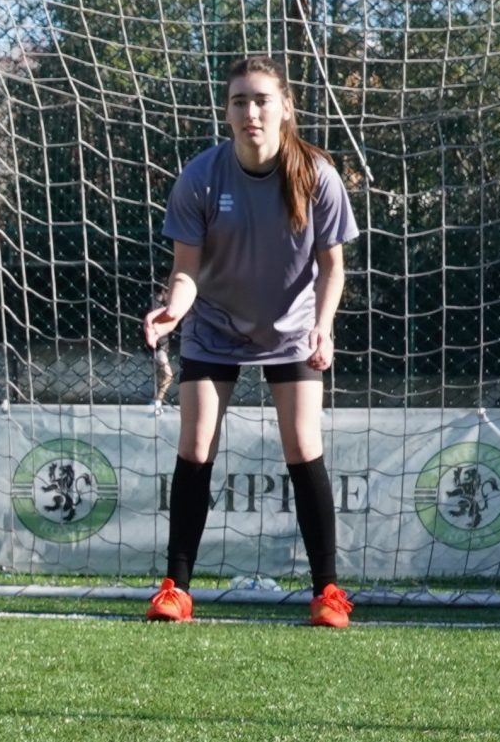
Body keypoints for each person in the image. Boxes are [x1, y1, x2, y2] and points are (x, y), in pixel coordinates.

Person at [141, 54, 354, 628]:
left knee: (302, 445)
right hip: (214, 329)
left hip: (292, 333)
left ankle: (328, 592)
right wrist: (171, 312)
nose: (250, 111)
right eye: (239, 101)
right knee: (195, 444)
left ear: (286, 108)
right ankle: (175, 588)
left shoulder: (316, 176)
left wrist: (323, 325)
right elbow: (186, 271)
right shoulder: (202, 176)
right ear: (226, 112)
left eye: (262, 99)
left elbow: (332, 267)